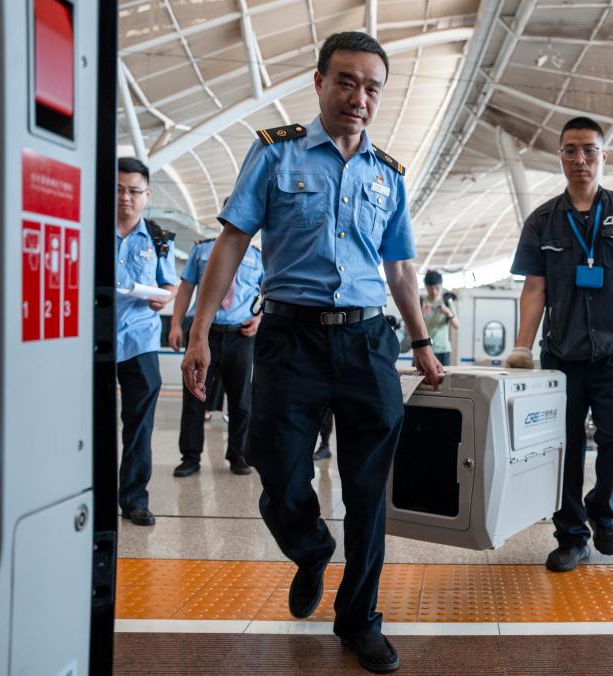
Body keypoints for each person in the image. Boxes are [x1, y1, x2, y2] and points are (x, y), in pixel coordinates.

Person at [180, 31, 443, 674]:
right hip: (289, 338)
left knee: (368, 490)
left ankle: (359, 619)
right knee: (275, 466)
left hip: (367, 341)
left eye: (372, 88)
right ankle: (310, 548)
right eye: (347, 81)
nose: (359, 97)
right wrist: (198, 330)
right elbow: (233, 242)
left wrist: (421, 342)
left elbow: (400, 270)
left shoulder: (388, 175)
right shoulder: (276, 152)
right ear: (320, 81)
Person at [506, 116, 613, 572]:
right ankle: (572, 536)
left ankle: (603, 508)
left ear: (603, 156)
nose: (580, 159)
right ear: (560, 156)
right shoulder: (543, 220)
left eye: (588, 150)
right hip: (561, 355)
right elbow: (535, 288)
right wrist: (522, 347)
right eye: (570, 150)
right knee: (564, 447)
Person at [114, 156, 178, 527]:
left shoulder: (159, 239)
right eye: (118, 189)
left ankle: (134, 499)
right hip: (94, 341)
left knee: (139, 426)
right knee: (87, 422)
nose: (126, 197)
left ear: (147, 194)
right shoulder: (88, 228)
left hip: (140, 340)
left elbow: (169, 283)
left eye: (134, 191)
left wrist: (164, 296)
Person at [168, 235, 263, 477]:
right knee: (194, 396)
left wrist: (259, 318)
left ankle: (238, 455)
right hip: (204, 333)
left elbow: (268, 291)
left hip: (241, 335)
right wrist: (176, 324)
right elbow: (186, 287)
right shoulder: (202, 250)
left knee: (242, 400)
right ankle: (190, 457)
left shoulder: (258, 256)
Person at [420, 270, 459, 366]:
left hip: (443, 350)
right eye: (430, 289)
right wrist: (421, 315)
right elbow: (409, 326)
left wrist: (448, 313)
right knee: (420, 375)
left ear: (441, 286)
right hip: (423, 348)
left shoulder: (447, 302)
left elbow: (457, 325)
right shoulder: (420, 301)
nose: (434, 292)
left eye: (437, 288)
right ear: (426, 287)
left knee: (443, 375)